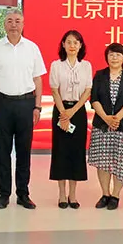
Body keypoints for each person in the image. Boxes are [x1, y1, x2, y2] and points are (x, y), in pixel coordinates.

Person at [0, 8, 47, 210]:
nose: (13, 24)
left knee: (23, 151)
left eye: (17, 21)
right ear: (4, 24)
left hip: (26, 104)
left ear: (23, 24)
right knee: (2, 151)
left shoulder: (32, 48)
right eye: (10, 21)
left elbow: (38, 79)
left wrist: (37, 106)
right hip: (2, 103)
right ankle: (4, 194)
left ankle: (23, 194)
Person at [88, 43, 123, 211]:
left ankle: (115, 195)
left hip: (122, 125)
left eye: (118, 54)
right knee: (102, 161)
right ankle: (105, 194)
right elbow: (94, 98)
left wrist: (116, 118)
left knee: (120, 162)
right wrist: (106, 118)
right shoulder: (100, 75)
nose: (114, 57)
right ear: (106, 57)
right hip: (102, 125)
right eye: (111, 54)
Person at [48, 30, 92, 209]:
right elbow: (54, 90)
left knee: (76, 152)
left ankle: (73, 194)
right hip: (60, 110)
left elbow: (88, 91)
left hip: (78, 111)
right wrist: (64, 113)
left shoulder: (86, 66)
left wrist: (72, 111)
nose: (72, 46)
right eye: (69, 42)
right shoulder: (56, 65)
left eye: (76, 42)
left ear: (80, 45)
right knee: (61, 151)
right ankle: (61, 194)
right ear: (63, 45)